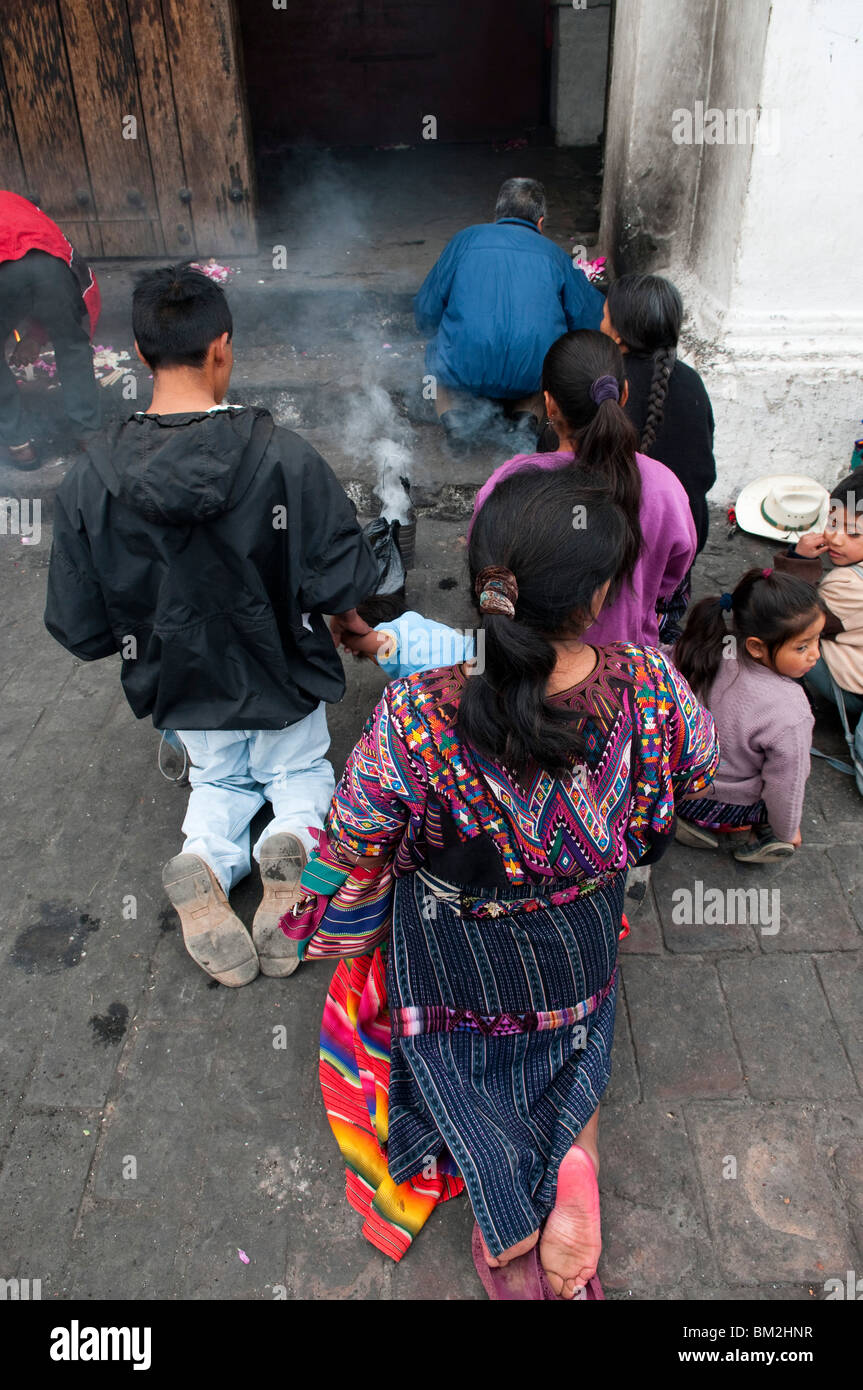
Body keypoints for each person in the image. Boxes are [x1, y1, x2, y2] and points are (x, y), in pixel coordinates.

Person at [284, 468, 718, 1296]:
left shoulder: (416, 708)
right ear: (594, 600)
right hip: (577, 942)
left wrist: (318, 907)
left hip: (456, 950)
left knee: (449, 1052)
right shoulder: (653, 686)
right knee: (577, 1041)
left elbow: (357, 832)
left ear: (482, 579)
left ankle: (508, 1200)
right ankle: (575, 1156)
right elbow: (699, 778)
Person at [44, 263, 378, 986]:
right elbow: (344, 578)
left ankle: (203, 862)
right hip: (283, 674)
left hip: (182, 685)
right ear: (221, 346)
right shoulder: (284, 458)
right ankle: (290, 847)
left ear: (137, 354)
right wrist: (353, 625)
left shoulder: (90, 479)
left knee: (218, 784)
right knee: (298, 773)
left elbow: (79, 626)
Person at [470, 329, 697, 648]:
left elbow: (486, 563)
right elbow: (669, 583)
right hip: (627, 668)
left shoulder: (508, 484)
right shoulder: (664, 489)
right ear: (624, 394)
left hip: (527, 662)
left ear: (548, 404)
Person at [414, 178, 603, 450]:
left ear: (496, 216)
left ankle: (453, 420)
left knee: (438, 357)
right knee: (547, 365)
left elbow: (426, 310)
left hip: (464, 366)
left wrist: (439, 333)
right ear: (540, 222)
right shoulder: (555, 255)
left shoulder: (465, 240)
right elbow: (588, 319)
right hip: (530, 373)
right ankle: (527, 418)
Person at [673, 567, 825, 863]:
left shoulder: (704, 647)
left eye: (818, 640)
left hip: (678, 788)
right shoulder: (792, 710)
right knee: (778, 797)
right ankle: (763, 837)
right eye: (802, 646)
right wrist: (788, 830)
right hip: (729, 804)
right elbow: (786, 784)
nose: (815, 655)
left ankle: (679, 818)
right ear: (756, 647)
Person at [774, 470, 863, 792]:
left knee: (789, 639)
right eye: (834, 524)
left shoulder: (847, 583)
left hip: (853, 690)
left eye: (853, 535)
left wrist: (798, 561)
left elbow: (793, 613)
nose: (836, 539)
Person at [0, 190, 102, 467]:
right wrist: (38, 334)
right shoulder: (14, 201)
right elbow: (39, 261)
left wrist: (34, 335)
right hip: (49, 266)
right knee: (71, 344)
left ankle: (20, 446)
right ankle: (88, 435)